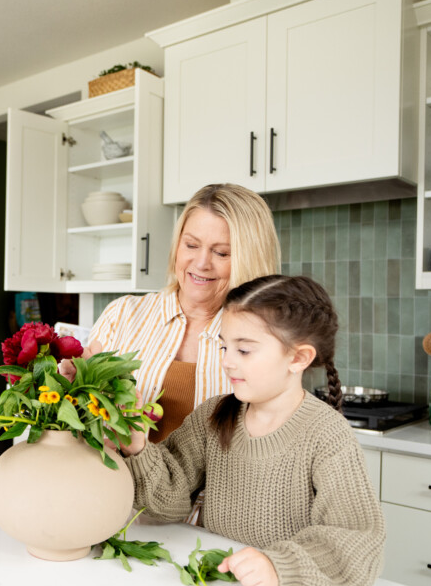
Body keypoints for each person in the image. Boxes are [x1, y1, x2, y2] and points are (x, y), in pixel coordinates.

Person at [123, 275, 385, 586]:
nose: (227, 360)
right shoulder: (213, 415)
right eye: (224, 346)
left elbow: (356, 540)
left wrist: (279, 567)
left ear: (298, 358)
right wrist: (137, 446)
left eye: (244, 350)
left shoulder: (327, 436)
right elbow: (170, 499)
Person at [73, 184, 280, 450]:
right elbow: (83, 425)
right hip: (119, 487)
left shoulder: (264, 339)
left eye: (221, 253)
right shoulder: (122, 315)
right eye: (191, 245)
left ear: (249, 258)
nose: (201, 263)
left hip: (214, 492)